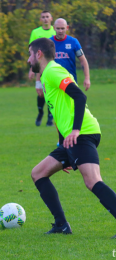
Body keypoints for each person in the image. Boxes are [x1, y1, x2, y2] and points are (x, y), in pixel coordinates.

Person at [28, 38, 116, 235]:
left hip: (82, 132)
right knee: (38, 173)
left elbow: (80, 96)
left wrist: (75, 130)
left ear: (39, 54)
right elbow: (60, 112)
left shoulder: (52, 70)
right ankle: (61, 225)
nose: (28, 60)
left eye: (30, 54)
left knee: (92, 180)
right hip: (70, 139)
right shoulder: (46, 75)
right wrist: (63, 147)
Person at [28, 11, 56, 127]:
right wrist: (32, 69)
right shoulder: (36, 32)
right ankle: (40, 112)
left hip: (51, 66)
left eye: (47, 17)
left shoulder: (55, 31)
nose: (45, 19)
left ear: (51, 18)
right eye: (43, 17)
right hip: (39, 67)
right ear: (40, 19)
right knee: (40, 92)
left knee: (50, 90)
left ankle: (50, 116)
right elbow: (32, 52)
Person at [50, 18, 90, 90]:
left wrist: (87, 78)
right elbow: (42, 62)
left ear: (67, 28)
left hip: (70, 81)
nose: (60, 31)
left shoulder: (73, 42)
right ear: (54, 28)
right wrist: (39, 81)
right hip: (53, 81)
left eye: (62, 28)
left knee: (74, 101)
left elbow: (83, 60)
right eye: (58, 28)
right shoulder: (49, 43)